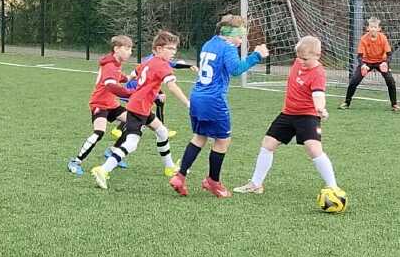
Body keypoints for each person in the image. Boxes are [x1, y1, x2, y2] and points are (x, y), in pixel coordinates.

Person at [170, 15, 268, 197]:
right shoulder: (228, 47)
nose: (241, 41)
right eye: (240, 37)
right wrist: (256, 56)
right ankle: (213, 181)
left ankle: (180, 176)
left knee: (199, 137)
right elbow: (236, 69)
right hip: (213, 100)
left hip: (197, 96)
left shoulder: (209, 43)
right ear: (230, 35)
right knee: (223, 140)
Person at [234, 35, 340, 196]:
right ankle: (255, 184)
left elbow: (318, 94)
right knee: (268, 144)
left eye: (305, 59)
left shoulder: (318, 73)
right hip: (288, 113)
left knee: (314, 149)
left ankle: (333, 188)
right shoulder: (299, 60)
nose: (301, 61)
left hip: (307, 116)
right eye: (298, 57)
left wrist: (321, 109)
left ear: (317, 55)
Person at [91, 31, 190, 189]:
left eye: (175, 49)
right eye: (170, 48)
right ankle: (103, 169)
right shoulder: (161, 65)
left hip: (141, 105)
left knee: (162, 132)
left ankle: (169, 167)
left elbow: (136, 72)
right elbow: (171, 86)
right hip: (139, 108)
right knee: (131, 144)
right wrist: (188, 104)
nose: (174, 52)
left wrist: (131, 81)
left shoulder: (149, 61)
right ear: (158, 49)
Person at [68, 34, 134, 176]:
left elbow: (120, 77)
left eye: (131, 49)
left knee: (135, 123)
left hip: (112, 104)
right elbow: (111, 85)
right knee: (99, 132)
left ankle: (113, 151)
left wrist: (132, 75)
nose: (130, 52)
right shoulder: (110, 65)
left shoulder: (115, 63)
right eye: (127, 48)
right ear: (116, 49)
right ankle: (75, 161)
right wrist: (131, 94)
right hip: (100, 104)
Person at [340, 17, 400, 111]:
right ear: (368, 28)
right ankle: (346, 103)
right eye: (371, 27)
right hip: (367, 62)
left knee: (390, 81)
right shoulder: (364, 39)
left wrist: (385, 63)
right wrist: (363, 65)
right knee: (354, 81)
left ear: (379, 29)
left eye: (375, 27)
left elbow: (389, 54)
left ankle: (394, 104)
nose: (373, 29)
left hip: (380, 62)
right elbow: (359, 56)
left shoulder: (383, 38)